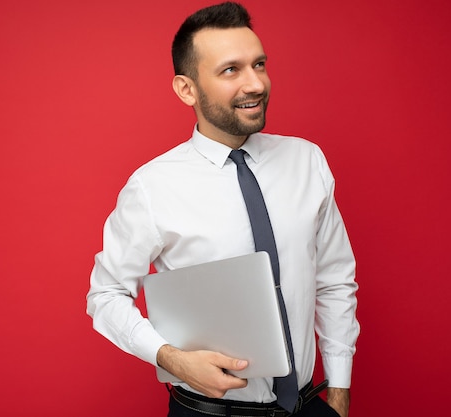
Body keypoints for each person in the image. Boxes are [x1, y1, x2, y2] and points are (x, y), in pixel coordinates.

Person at [86, 2, 359, 416]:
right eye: (231, 70)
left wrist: (338, 390)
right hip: (208, 411)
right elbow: (105, 295)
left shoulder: (307, 161)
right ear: (187, 89)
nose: (255, 84)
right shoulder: (152, 187)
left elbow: (334, 278)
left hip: (307, 405)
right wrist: (170, 357)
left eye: (259, 64)